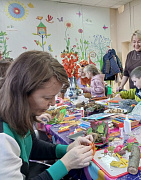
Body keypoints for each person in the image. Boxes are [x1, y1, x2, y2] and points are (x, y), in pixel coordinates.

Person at [0, 50, 93, 179]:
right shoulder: (3, 138)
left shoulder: (19, 115)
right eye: (47, 97)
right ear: (23, 92)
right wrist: (66, 164)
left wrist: (67, 149)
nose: (53, 103)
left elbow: (32, 147)